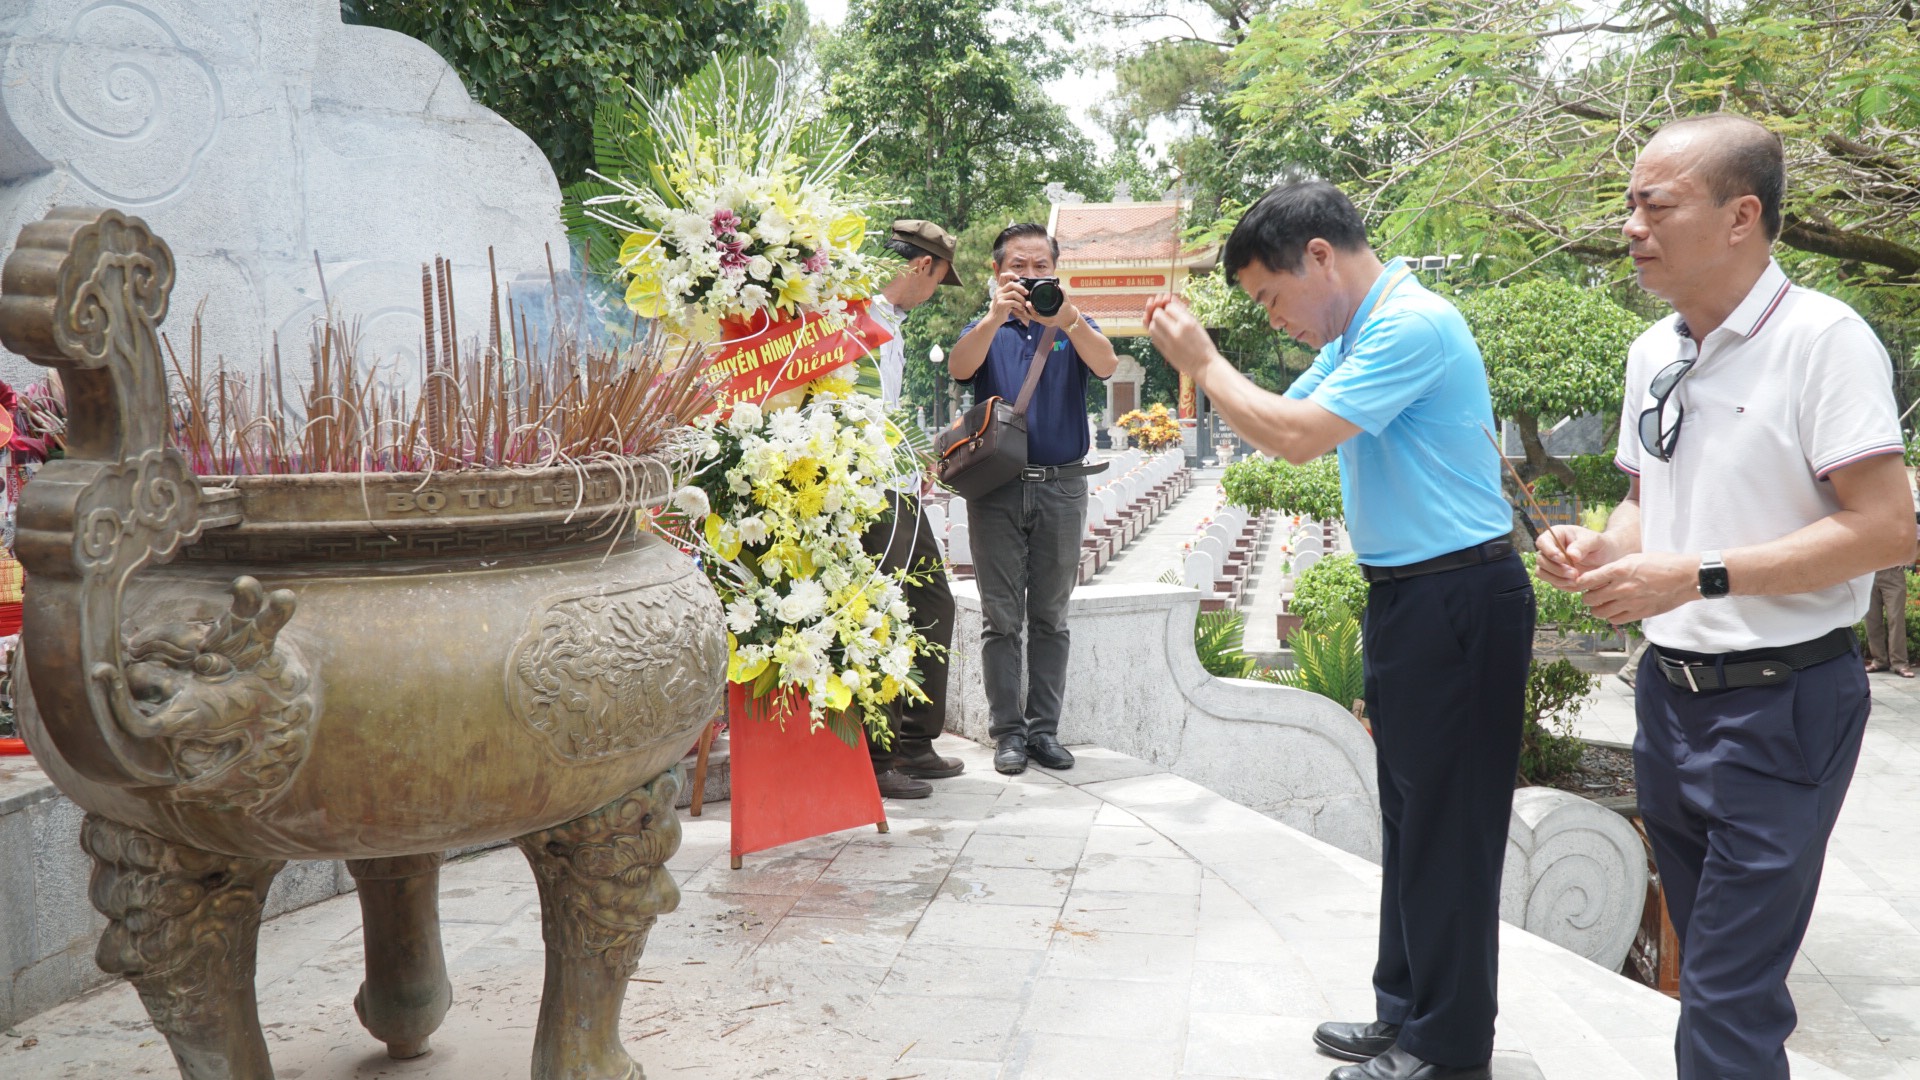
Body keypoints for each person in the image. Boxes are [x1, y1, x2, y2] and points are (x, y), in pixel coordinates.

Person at [1535, 113, 1915, 1080]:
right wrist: (1605, 551)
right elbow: (1640, 502)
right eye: (1628, 206)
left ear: (1742, 215)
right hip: (1669, 696)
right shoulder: (1649, 352)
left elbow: (1887, 529)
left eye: (1655, 206)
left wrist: (1696, 573)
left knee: (1731, 994)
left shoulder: (1824, 343)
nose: (1631, 227)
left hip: (1785, 704)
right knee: (1702, 971)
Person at [1146, 180, 1531, 1080]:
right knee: (1410, 818)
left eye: (1271, 299)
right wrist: (1204, 371)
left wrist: (1203, 360)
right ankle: (1404, 1015)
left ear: (1318, 255)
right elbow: (1271, 417)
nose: (1275, 321)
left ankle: (1449, 1047)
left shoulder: (1412, 324)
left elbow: (1296, 436)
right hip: (1407, 595)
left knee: (1451, 830)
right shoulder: (1360, 334)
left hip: (1461, 597)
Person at [947, 222, 1119, 775]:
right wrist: (995, 315)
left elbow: (1108, 364)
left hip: (1063, 485)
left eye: (1041, 266)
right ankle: (1008, 735)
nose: (1030, 275)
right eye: (1018, 267)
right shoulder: (987, 326)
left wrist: (1067, 317)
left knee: (1051, 616)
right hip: (995, 489)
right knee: (1001, 619)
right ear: (998, 273)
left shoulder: (1071, 324)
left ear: (1055, 270)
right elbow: (958, 367)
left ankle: (1044, 731)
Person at [863, 219, 966, 799]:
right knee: (886, 613)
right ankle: (880, 759)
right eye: (939, 280)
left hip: (897, 487)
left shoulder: (890, 324)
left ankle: (914, 744)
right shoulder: (859, 321)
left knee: (929, 603)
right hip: (871, 490)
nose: (934, 293)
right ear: (923, 266)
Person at [1863, 517, 1917, 677]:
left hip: (1893, 573)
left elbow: (1915, 534)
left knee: (1896, 619)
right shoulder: (1865, 516)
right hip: (1869, 573)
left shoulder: (1897, 515)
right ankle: (1879, 660)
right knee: (1871, 619)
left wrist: (1910, 557)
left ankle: (1900, 663)